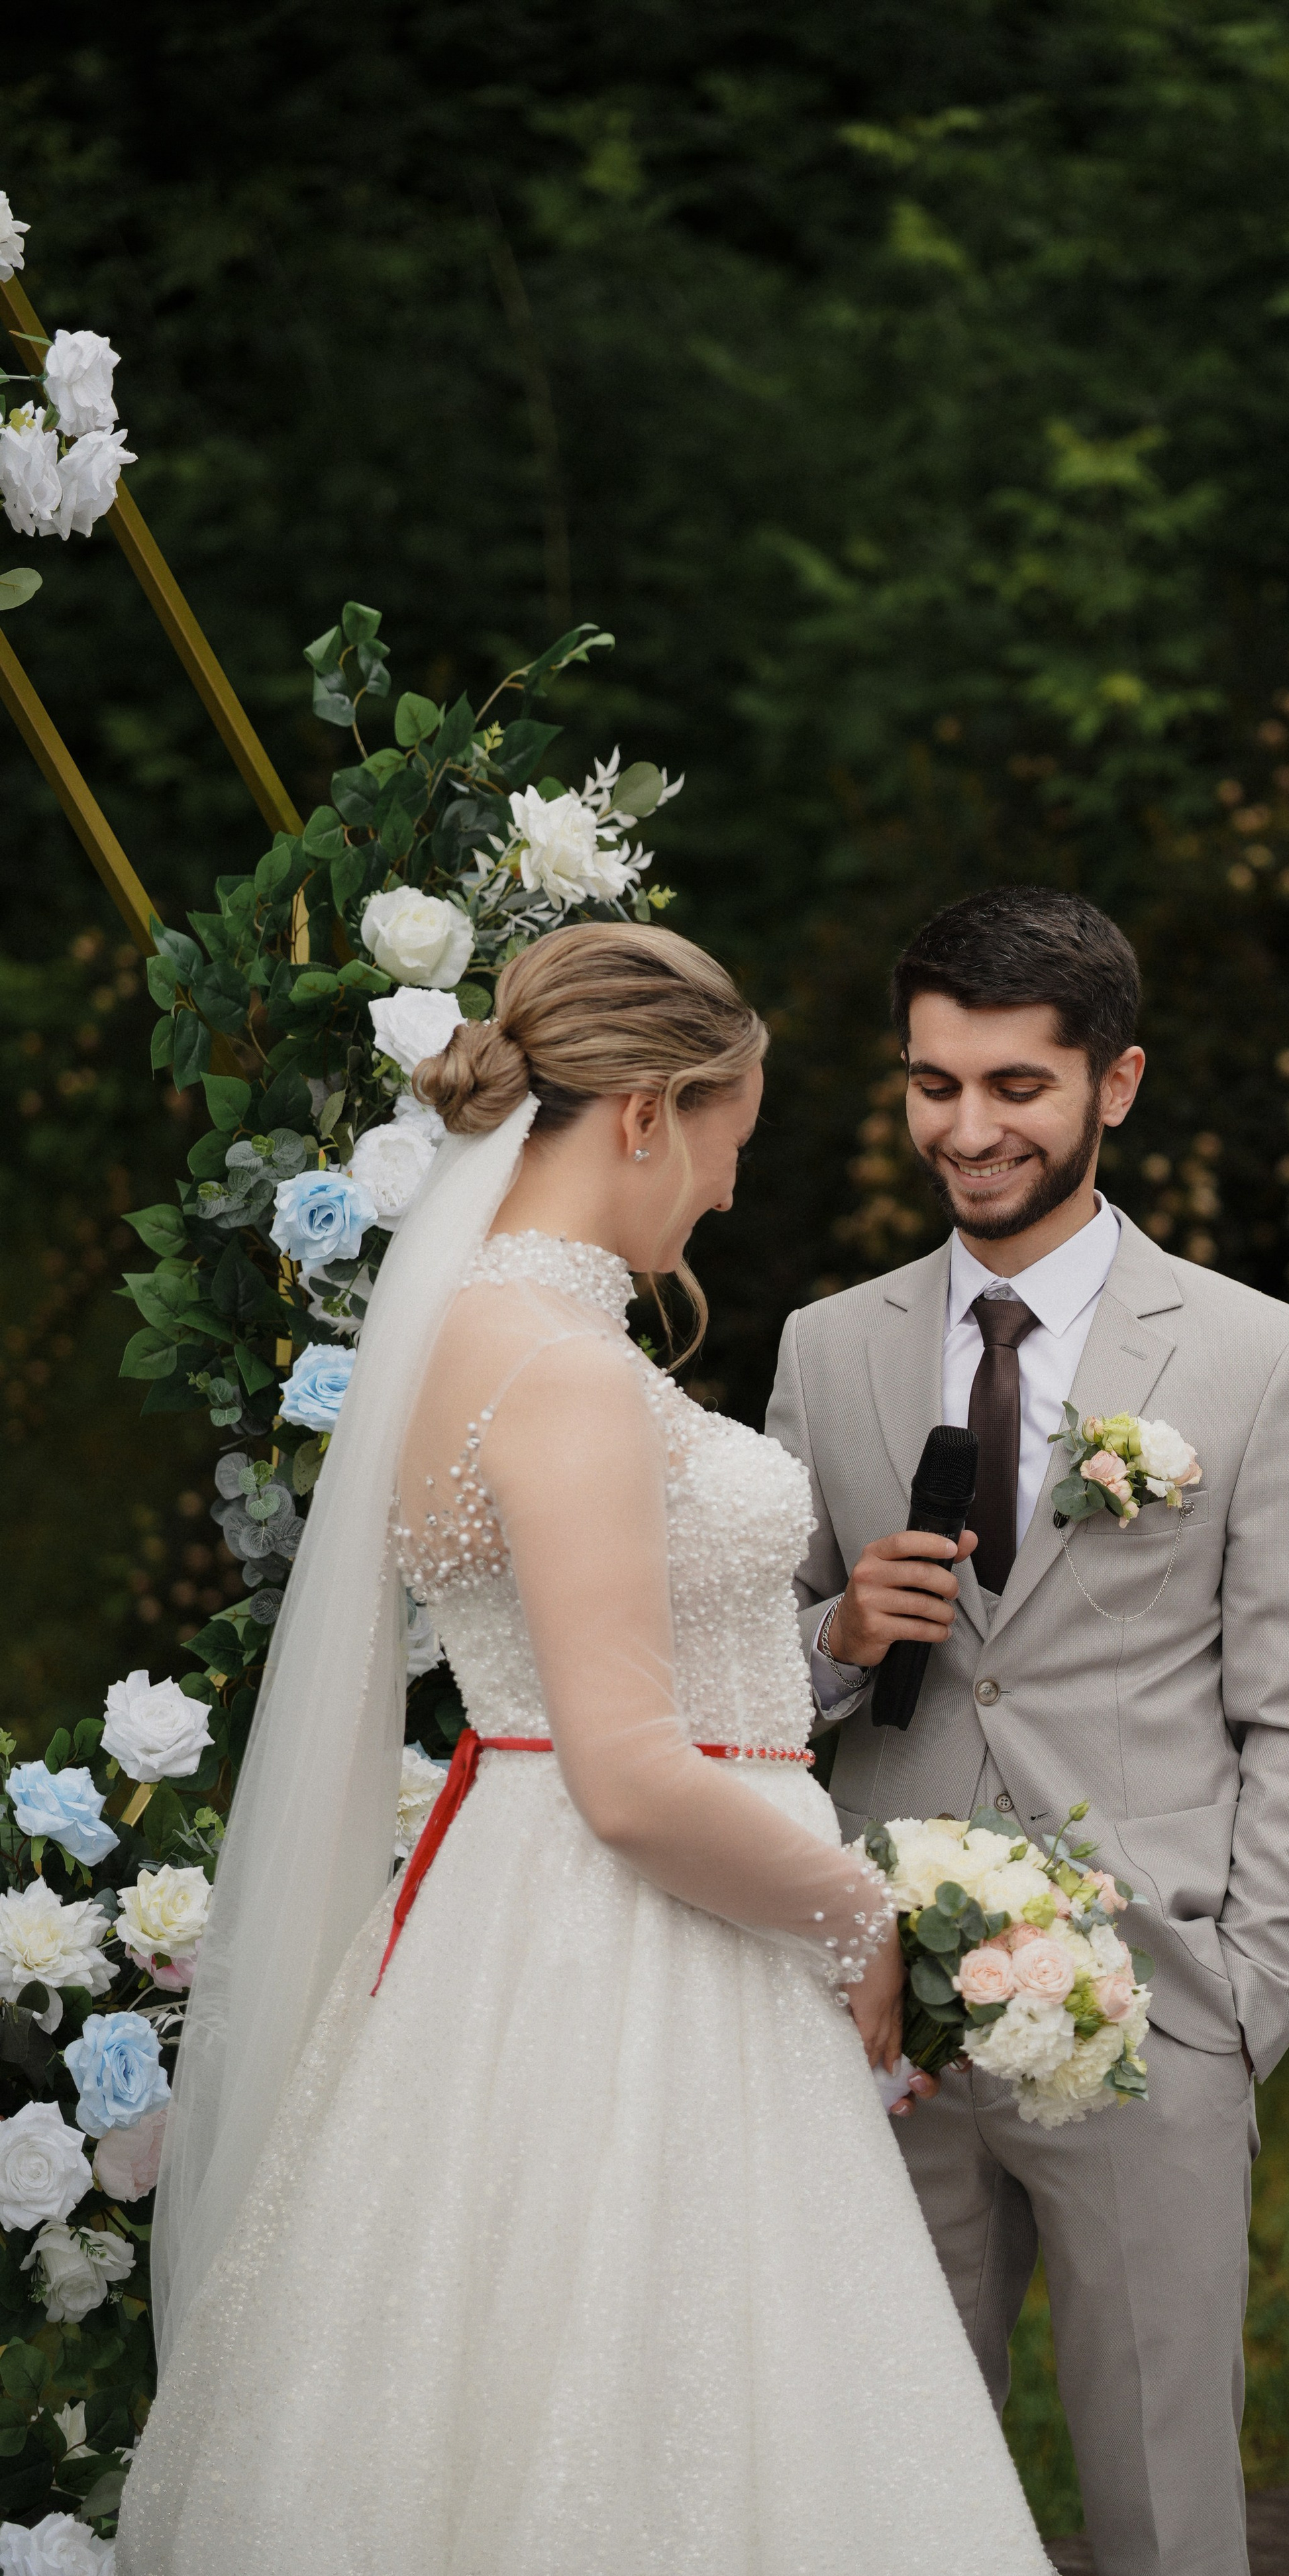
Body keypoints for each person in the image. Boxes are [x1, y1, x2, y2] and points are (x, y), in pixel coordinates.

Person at [119, 922, 1051, 2576]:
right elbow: (624, 1775)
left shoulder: (499, 1341)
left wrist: (821, 1653)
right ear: (644, 1116)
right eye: (729, 1143)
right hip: (636, 1959)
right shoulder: (559, 1375)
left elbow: (618, 1690)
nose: (728, 1194)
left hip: (532, 1924)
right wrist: (859, 1915)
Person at [766, 887, 1289, 2576]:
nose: (966, 1130)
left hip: (1150, 2005)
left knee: (1165, 2493)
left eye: (1014, 1086)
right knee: (883, 2489)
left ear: (1116, 1083)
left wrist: (1246, 1998)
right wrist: (832, 1635)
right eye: (931, 1084)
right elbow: (744, 1684)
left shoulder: (1257, 1359)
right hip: (883, 2015)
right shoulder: (829, 1348)